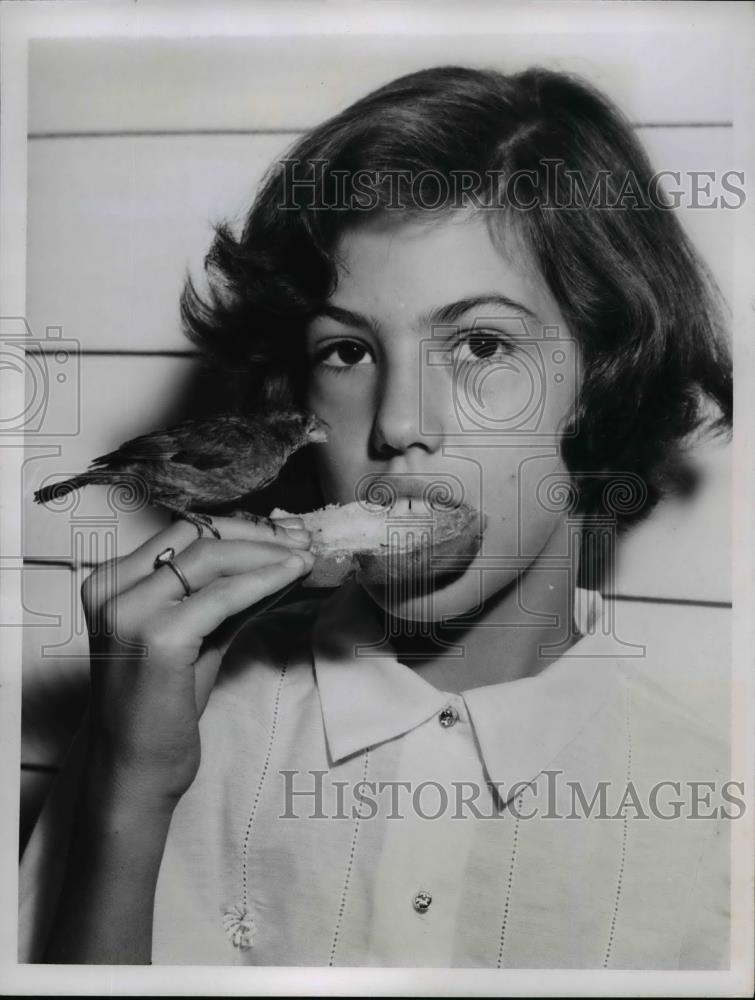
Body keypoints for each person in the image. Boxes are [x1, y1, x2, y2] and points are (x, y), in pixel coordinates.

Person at [19, 65, 733, 968]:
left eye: (480, 344)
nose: (397, 424)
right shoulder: (155, 728)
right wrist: (129, 791)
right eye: (349, 349)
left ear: (600, 383)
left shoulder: (714, 812)